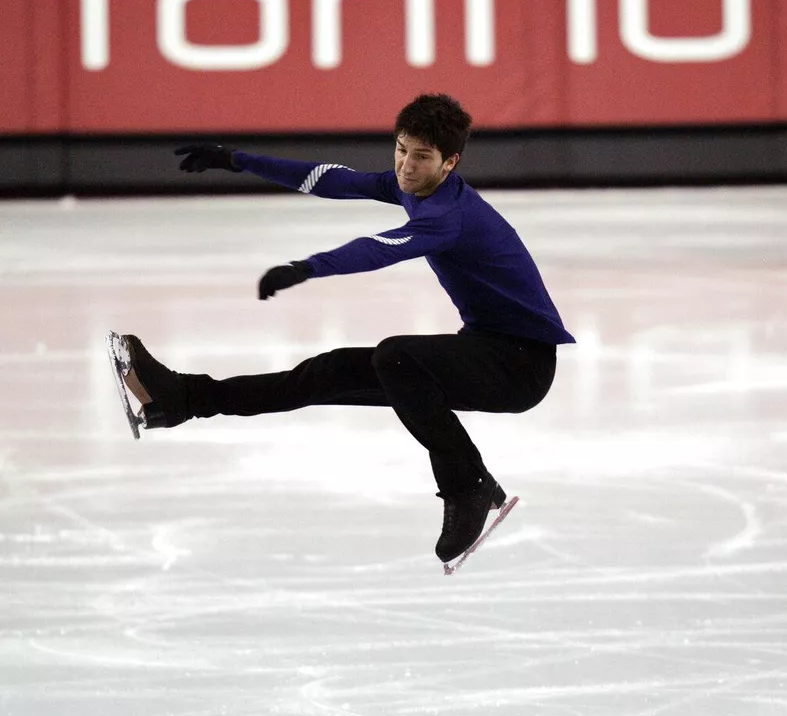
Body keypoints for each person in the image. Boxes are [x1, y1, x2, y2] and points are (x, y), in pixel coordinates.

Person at [118, 93, 575, 565]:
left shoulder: (447, 216)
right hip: (486, 350)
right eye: (401, 149)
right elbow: (333, 180)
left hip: (520, 366)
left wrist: (308, 267)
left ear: (449, 162)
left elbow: (381, 248)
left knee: (395, 356)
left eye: (421, 157)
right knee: (328, 371)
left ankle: (470, 486)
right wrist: (238, 160)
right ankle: (184, 399)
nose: (405, 166)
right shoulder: (414, 187)